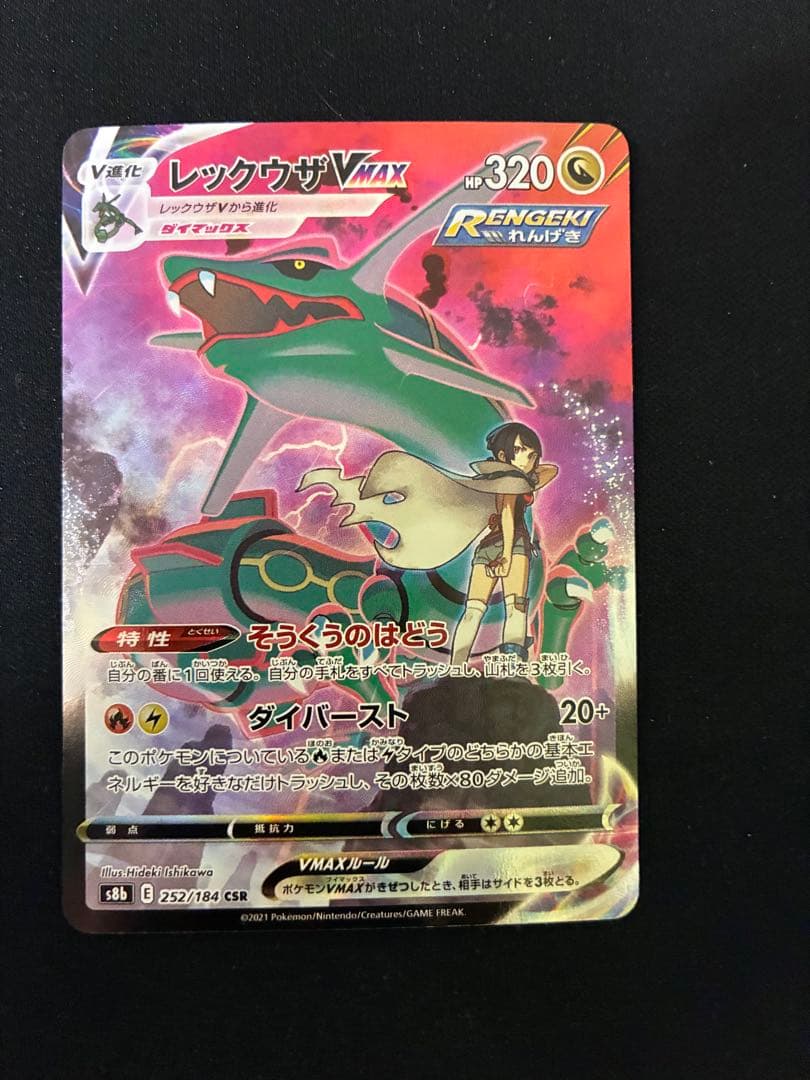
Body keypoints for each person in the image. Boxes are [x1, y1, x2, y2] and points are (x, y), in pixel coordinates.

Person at [450, 422, 557, 665]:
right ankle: (512, 667)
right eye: (519, 450)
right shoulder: (510, 482)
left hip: (486, 547)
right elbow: (508, 515)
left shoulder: (494, 480)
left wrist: (525, 476)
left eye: (532, 455)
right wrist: (507, 555)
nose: (527, 459)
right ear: (502, 454)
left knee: (473, 611)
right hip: (513, 544)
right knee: (515, 608)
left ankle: (456, 667)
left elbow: (549, 471)